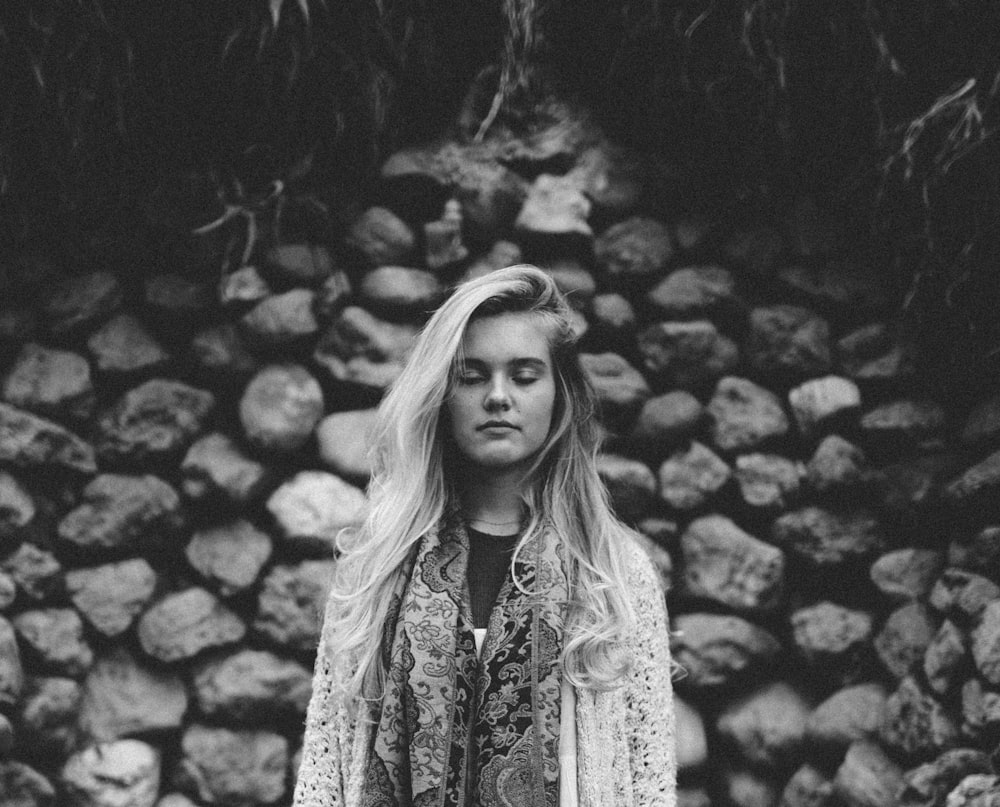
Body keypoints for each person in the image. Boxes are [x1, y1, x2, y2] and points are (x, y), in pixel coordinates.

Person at [294, 265, 677, 807]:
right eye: (472, 376)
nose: (498, 397)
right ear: (442, 395)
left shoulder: (613, 572)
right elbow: (325, 767)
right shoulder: (376, 567)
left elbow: (648, 776)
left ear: (560, 394)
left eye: (524, 376)